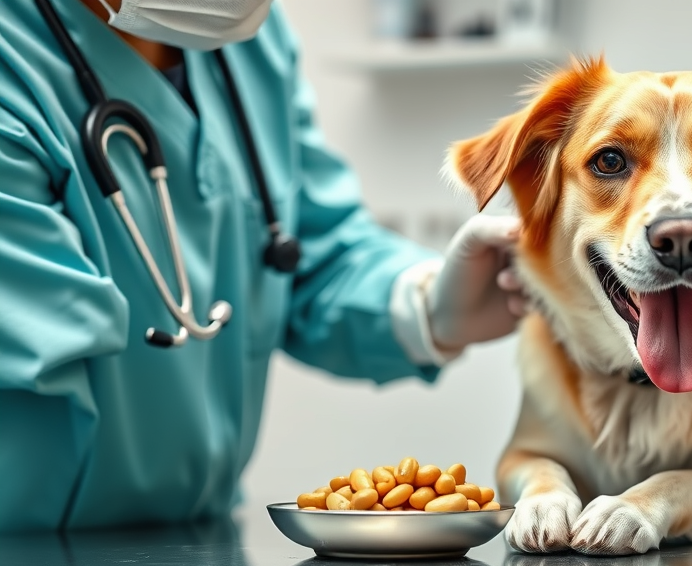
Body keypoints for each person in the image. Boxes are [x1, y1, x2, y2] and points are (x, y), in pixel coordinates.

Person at [0, 0, 524, 532]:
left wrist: (427, 303)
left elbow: (304, 249)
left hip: (201, 537)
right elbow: (42, 344)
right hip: (31, 547)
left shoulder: (249, 41)